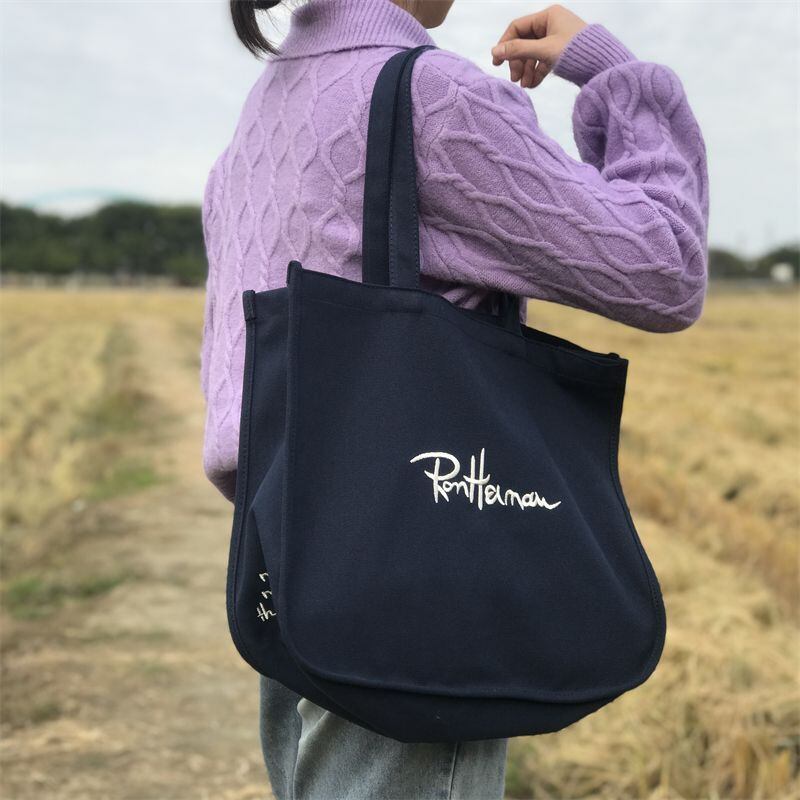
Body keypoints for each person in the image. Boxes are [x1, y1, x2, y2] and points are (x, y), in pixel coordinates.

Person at [199, 1, 709, 797]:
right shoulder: (434, 98)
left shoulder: (271, 104)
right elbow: (665, 267)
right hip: (407, 574)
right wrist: (618, 78)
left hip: (289, 556)